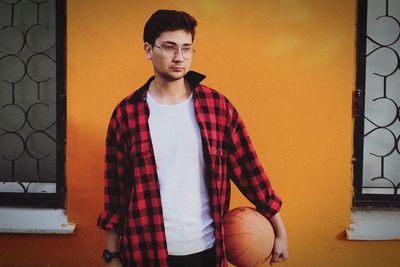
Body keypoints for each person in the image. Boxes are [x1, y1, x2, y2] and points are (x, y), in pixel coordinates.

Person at [97, 9, 288, 267]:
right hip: (145, 251)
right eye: (169, 47)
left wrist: (280, 230)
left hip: (208, 250)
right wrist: (111, 255)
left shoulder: (217, 107)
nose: (180, 57)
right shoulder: (127, 114)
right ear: (148, 50)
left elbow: (249, 169)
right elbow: (115, 192)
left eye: (187, 48)